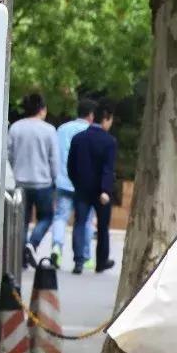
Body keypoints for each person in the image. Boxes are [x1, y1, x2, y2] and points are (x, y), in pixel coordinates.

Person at [7, 90, 58, 265]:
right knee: (46, 217)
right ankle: (32, 243)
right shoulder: (49, 130)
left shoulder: (15, 128)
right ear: (42, 109)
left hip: (20, 181)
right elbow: (54, 159)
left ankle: (20, 257)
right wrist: (54, 178)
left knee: (22, 221)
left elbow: (9, 154)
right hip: (43, 182)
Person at [67, 100, 117, 273]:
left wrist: (77, 183)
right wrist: (105, 190)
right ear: (106, 119)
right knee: (103, 227)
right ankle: (101, 261)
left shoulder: (78, 139)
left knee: (80, 223)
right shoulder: (109, 141)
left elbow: (70, 166)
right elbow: (107, 169)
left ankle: (79, 261)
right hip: (101, 192)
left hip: (81, 189)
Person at [50, 96, 96, 270]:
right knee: (86, 220)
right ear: (91, 115)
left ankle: (56, 247)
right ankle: (85, 256)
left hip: (63, 181)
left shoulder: (62, 129)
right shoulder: (91, 131)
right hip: (85, 185)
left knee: (61, 216)